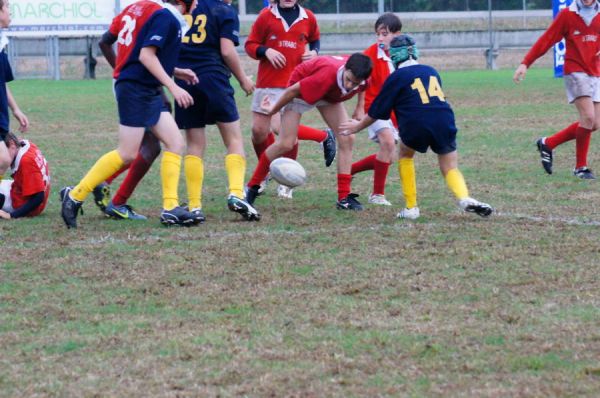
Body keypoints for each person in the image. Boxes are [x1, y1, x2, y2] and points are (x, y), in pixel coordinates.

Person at [60, 0, 199, 228]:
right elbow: (145, 56)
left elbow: (139, 52)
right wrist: (173, 86)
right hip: (137, 87)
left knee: (175, 143)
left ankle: (170, 208)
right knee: (127, 153)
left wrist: (177, 72)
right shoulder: (166, 18)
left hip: (145, 87)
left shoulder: (144, 10)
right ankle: (75, 195)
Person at [340, 35, 493, 220]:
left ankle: (411, 207)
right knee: (450, 166)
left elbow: (377, 112)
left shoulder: (396, 76)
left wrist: (357, 127)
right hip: (445, 119)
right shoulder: (431, 71)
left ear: (395, 57)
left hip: (416, 122)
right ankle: (463, 197)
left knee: (405, 155)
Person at [245, 53, 373, 211]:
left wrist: (360, 107)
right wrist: (273, 110)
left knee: (348, 138)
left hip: (329, 95)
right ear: (345, 69)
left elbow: (363, 87)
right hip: (299, 94)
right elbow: (292, 91)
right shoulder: (325, 76)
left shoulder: (363, 78)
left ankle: (344, 198)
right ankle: (251, 188)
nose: (349, 86)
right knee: (286, 143)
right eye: (348, 80)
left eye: (355, 83)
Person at [174, 0, 260, 222]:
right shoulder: (224, 10)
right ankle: (236, 193)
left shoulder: (186, 7)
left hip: (184, 79)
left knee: (194, 144)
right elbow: (227, 50)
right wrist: (243, 79)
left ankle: (194, 206)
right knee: (233, 140)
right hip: (214, 77)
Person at [245, 0, 336, 199]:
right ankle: (267, 169)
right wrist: (265, 50)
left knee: (285, 133)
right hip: (267, 84)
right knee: (258, 132)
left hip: (294, 85)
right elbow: (250, 45)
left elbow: (315, 40)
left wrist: (314, 53)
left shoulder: (308, 17)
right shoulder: (266, 16)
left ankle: (286, 182)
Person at [513, 0, 600, 180]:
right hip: (575, 72)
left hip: (596, 72)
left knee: (594, 123)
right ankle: (580, 167)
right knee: (588, 118)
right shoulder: (567, 15)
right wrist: (525, 63)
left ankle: (548, 143)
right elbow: (547, 39)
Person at [351, 12, 403, 206]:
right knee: (388, 143)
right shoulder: (370, 55)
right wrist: (358, 108)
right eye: (378, 34)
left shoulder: (404, 53)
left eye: (385, 34)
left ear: (397, 34)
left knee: (389, 158)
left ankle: (349, 170)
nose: (380, 38)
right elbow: (361, 83)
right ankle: (377, 195)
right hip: (375, 107)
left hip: (396, 110)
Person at [0, 0, 29, 185]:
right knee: (3, 159)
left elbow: (1, 82)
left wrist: (16, 109)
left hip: (2, 115)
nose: (10, 12)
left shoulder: (2, 44)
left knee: (4, 160)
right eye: (7, 7)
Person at [0, 133, 50, 220]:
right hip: (23, 191)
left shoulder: (26, 161)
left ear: (12, 144)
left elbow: (38, 197)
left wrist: (11, 215)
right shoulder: (27, 145)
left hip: (23, 203)